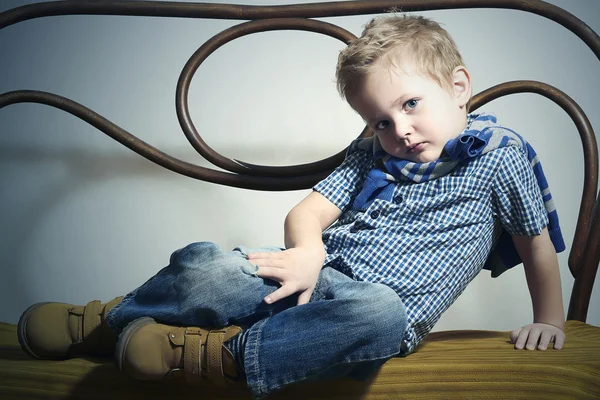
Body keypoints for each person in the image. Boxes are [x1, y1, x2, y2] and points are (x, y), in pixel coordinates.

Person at [16, 14, 567, 399]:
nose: (399, 129)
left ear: (459, 86)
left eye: (411, 104)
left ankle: (213, 356)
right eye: (379, 120)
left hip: (375, 308)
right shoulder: (372, 151)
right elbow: (308, 213)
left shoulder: (500, 154)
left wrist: (550, 321)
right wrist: (306, 253)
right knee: (217, 270)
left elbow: (534, 244)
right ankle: (109, 322)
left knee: (379, 315)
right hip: (314, 276)